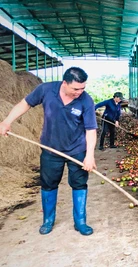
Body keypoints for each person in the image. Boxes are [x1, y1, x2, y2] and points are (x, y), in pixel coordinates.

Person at [0, 67, 97, 236]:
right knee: (48, 184)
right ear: (65, 83)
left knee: (79, 183)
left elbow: (90, 130)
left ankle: (80, 222)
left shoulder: (86, 101)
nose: (79, 92)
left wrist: (89, 156)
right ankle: (48, 220)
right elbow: (25, 103)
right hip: (50, 149)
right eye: (76, 88)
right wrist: (7, 121)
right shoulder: (46, 90)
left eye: (83, 88)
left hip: (77, 150)